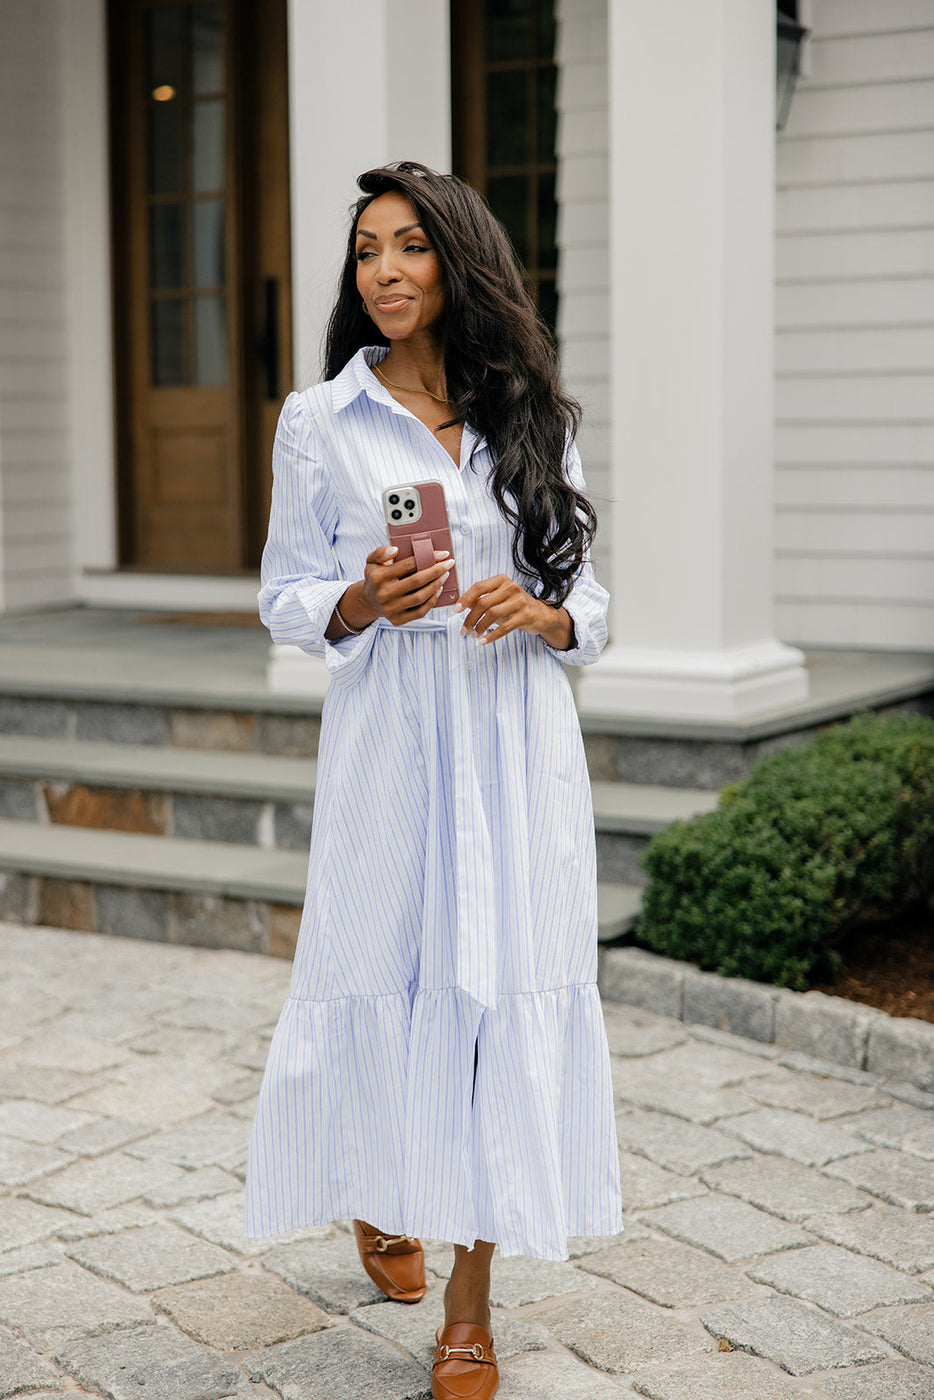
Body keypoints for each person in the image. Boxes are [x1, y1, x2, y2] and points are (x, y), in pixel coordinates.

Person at [246, 161, 623, 1400]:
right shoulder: (322, 418)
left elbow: (594, 599)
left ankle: (469, 1305)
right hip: (390, 740)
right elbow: (286, 597)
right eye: (366, 252)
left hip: (511, 741)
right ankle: (376, 1190)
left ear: (458, 263)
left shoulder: (534, 413)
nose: (387, 272)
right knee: (382, 974)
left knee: (490, 993)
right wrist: (361, 595)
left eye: (410, 246)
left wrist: (545, 613)